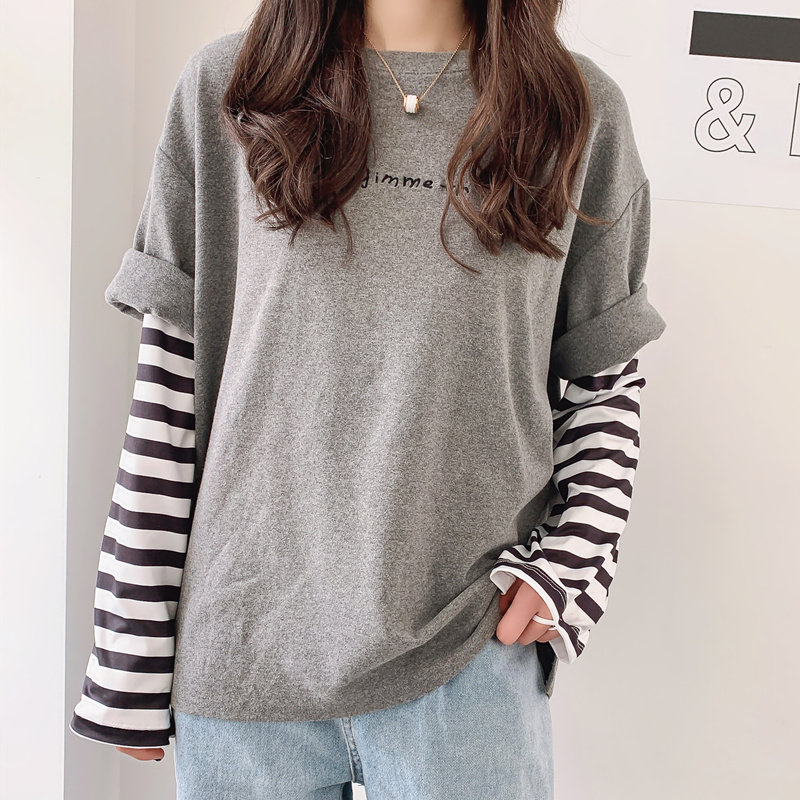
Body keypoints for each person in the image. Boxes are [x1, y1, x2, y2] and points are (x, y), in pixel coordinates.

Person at [69, 1, 666, 797]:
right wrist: (128, 662)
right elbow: (172, 386)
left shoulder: (573, 112)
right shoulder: (232, 87)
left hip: (466, 654)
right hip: (245, 655)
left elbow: (604, 383)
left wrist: (568, 570)